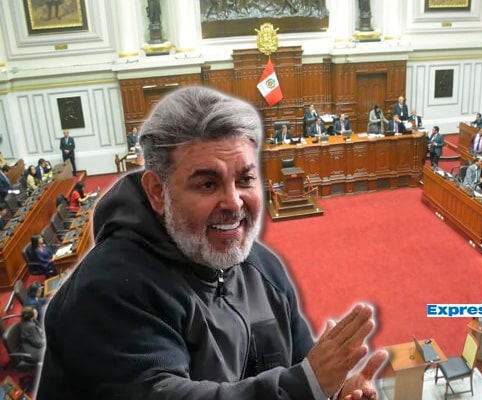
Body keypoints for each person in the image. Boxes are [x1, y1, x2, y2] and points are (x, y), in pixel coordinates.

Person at [37, 86, 387, 400]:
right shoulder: (106, 289)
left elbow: (302, 366)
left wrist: (331, 391)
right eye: (207, 184)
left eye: (245, 179)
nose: (233, 202)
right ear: (157, 192)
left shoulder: (263, 267)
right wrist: (305, 386)